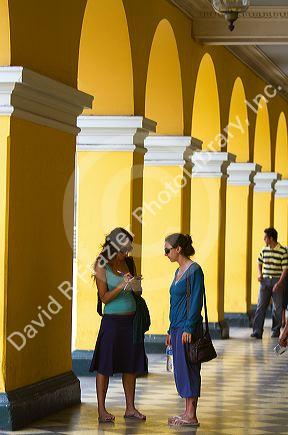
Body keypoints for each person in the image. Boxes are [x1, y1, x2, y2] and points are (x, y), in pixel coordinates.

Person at [89, 227, 147, 423]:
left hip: (131, 321)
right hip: (112, 323)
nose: (127, 253)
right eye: (124, 250)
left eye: (129, 249)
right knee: (105, 365)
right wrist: (121, 285)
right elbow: (104, 297)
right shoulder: (101, 264)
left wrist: (135, 285)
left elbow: (135, 292)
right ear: (113, 246)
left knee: (130, 366)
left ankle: (130, 407)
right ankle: (102, 410)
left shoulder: (129, 262)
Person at [164, 233, 204, 427]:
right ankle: (187, 411)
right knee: (180, 370)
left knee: (190, 369)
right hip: (177, 328)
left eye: (167, 250)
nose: (166, 254)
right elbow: (175, 302)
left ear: (178, 249)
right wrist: (170, 330)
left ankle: (192, 415)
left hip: (189, 328)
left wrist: (188, 327)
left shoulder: (194, 271)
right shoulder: (178, 272)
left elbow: (196, 301)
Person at [251, 227, 288, 339]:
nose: (264, 239)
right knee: (260, 306)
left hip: (277, 281)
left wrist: (280, 283)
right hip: (265, 281)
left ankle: (275, 331)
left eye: (265, 237)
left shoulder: (283, 251)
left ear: (271, 238)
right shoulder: (264, 250)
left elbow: (285, 268)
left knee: (277, 307)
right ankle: (257, 331)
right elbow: (259, 262)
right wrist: (259, 274)